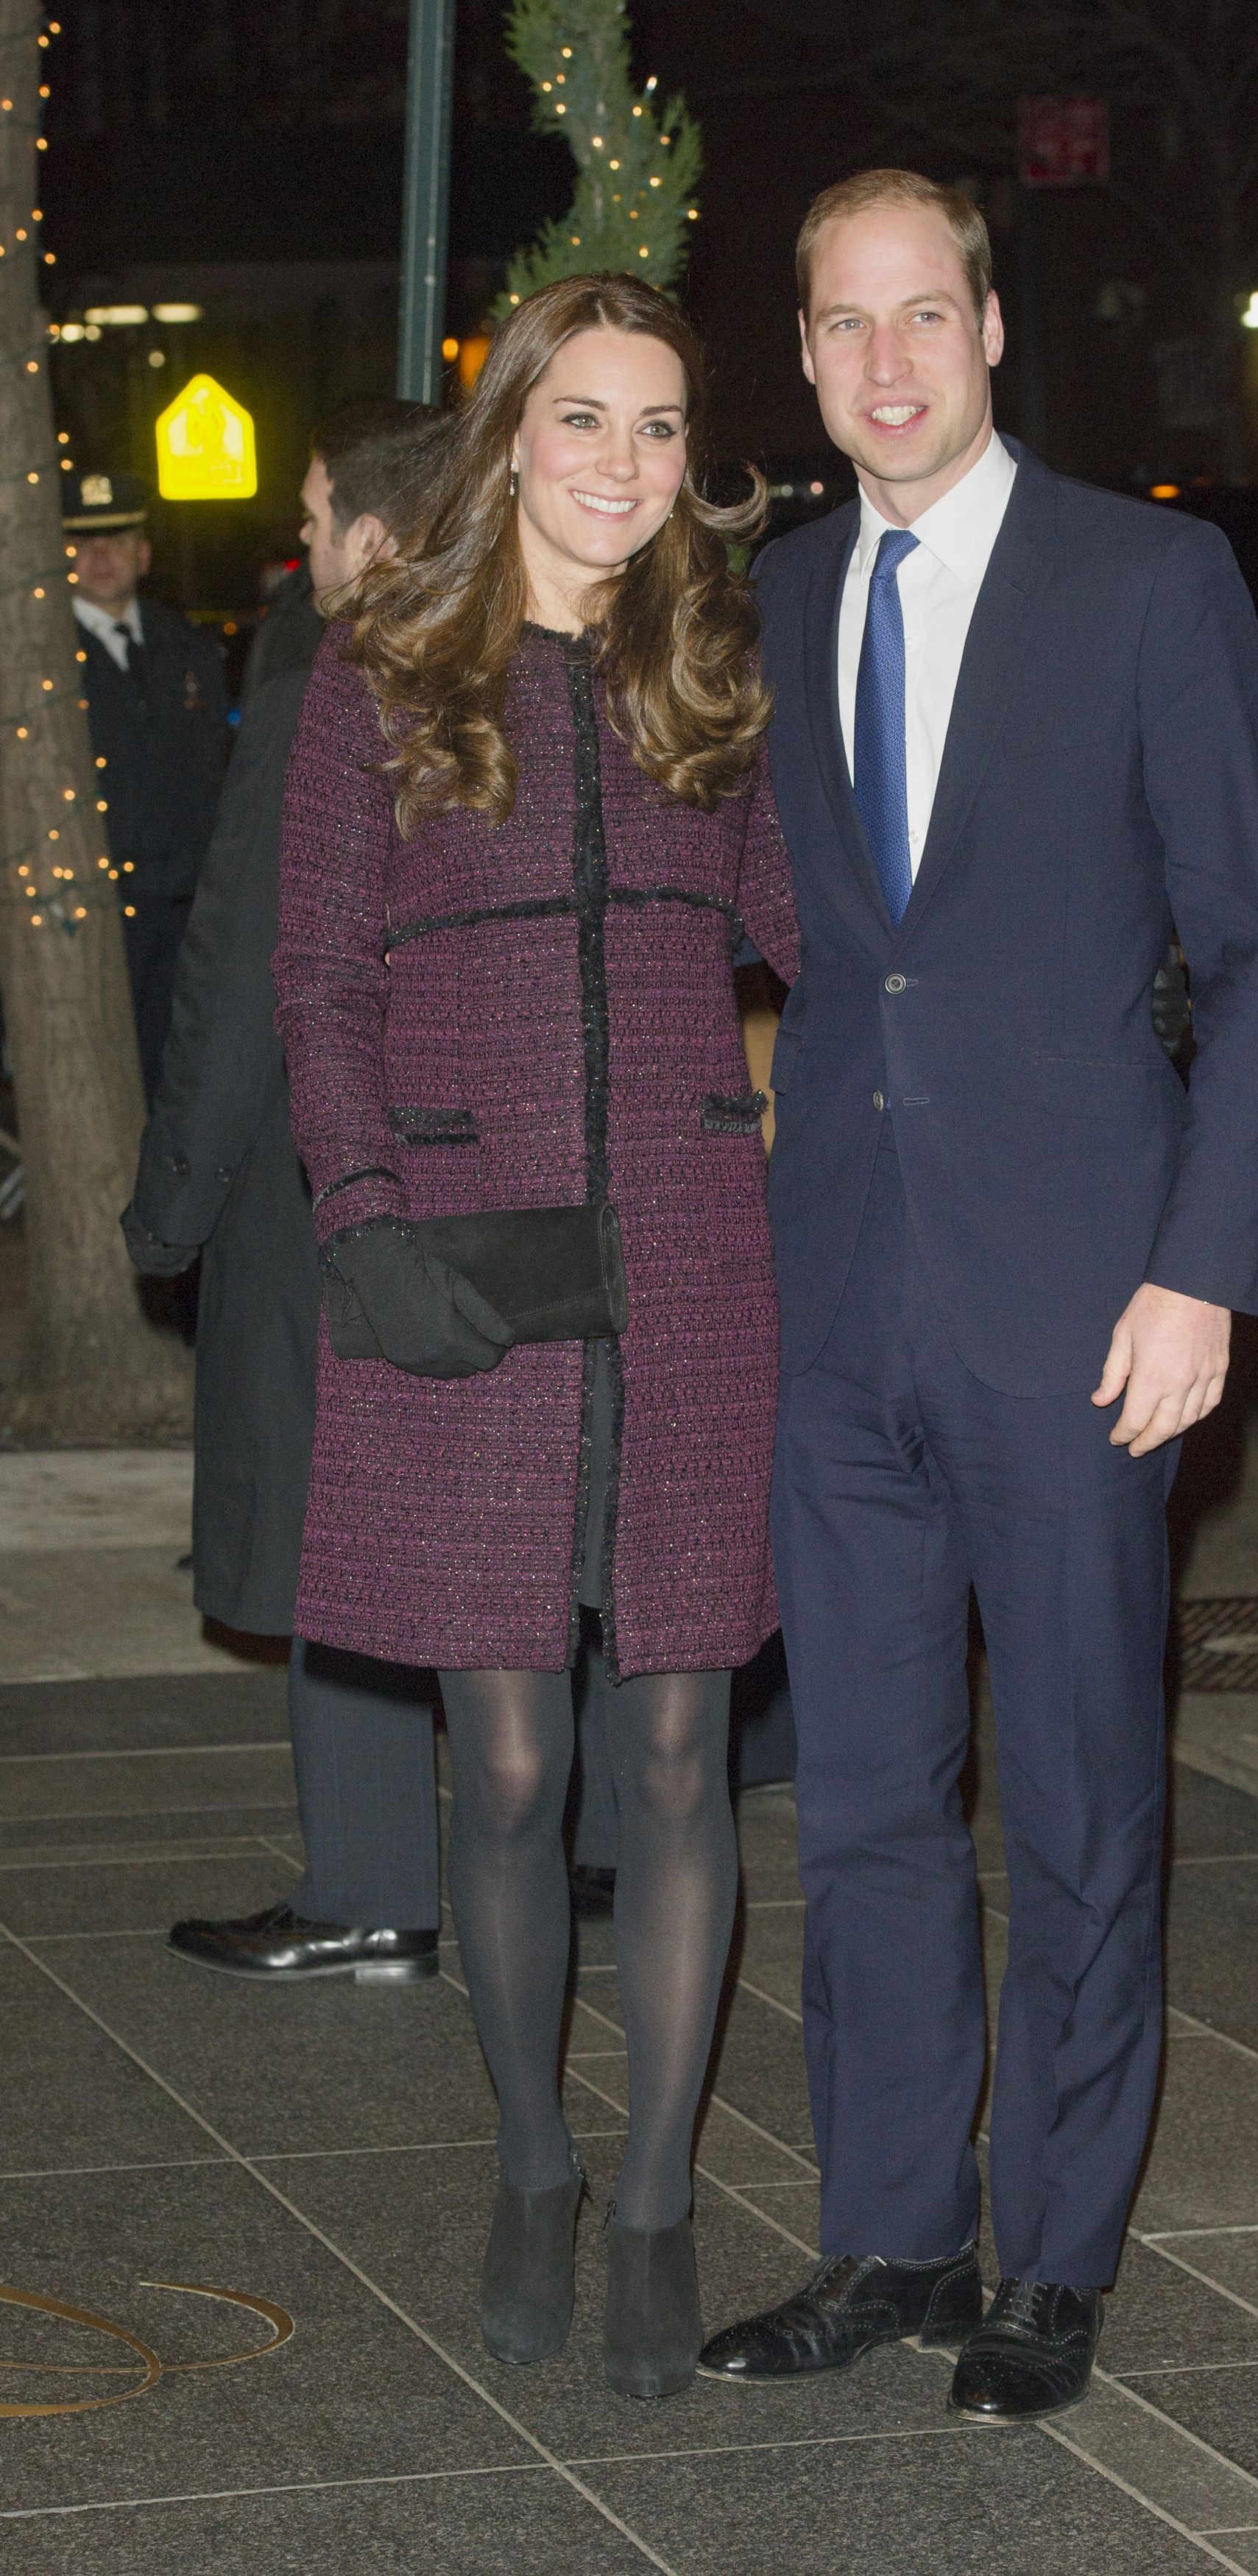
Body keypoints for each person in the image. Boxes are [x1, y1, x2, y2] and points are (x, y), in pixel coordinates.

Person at [698, 170, 1258, 2422]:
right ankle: (884, 2227)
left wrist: (1203, 1271)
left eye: (925, 314)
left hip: (1085, 1300)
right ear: (804, 354)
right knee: (858, 1795)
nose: (888, 363)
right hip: (836, 1297)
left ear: (987, 329)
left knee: (1073, 1796)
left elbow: (1254, 962)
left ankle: (1048, 2256)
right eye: (844, 324)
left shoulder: (1146, 580)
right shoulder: (764, 603)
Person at [272, 275, 799, 2400]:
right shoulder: (381, 665)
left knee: (673, 1753)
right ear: (509, 436)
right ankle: (529, 2157)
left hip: (685, 1256)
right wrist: (365, 1218)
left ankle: (659, 2195)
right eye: (583, 420)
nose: (620, 465)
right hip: (468, 1254)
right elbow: (318, 981)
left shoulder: (718, 674)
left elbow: (818, 932)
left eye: (659, 429)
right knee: (504, 1756)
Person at [123, 401, 450, 1984]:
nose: (305, 545)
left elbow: (243, 960)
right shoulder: (534, 656)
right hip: (487, 1169)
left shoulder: (330, 678)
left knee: (341, 1520)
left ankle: (375, 1882)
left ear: (375, 534)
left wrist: (170, 1200)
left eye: (319, 514)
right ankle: (577, 1845)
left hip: (329, 1175)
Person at [66, 472, 229, 1100]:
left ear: (144, 552)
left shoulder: (183, 648)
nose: (99, 557)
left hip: (186, 908)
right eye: (82, 543)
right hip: (102, 913)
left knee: (184, 1080)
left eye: (115, 539)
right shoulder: (48, 662)